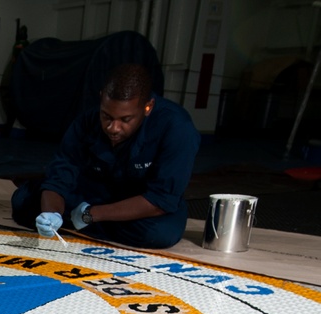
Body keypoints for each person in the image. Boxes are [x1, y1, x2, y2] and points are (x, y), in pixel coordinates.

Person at [11, 63, 201, 250]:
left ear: (148, 107)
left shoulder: (177, 128)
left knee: (160, 234)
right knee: (23, 203)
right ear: (102, 98)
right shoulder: (87, 121)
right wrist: (51, 214)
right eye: (107, 116)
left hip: (139, 203)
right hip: (94, 193)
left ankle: (83, 222)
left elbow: (161, 199)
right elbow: (60, 177)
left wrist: (92, 214)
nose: (113, 128)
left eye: (125, 120)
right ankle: (74, 221)